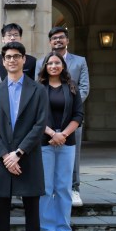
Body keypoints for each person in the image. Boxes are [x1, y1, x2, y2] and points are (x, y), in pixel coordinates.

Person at [0, 42, 49, 231]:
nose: (12, 60)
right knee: (1, 208)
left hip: (28, 157)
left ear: (24, 59)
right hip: (2, 159)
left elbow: (40, 124)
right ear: (3, 62)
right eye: (8, 57)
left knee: (32, 207)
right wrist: (6, 155)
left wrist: (19, 152)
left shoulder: (38, 90)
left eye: (16, 56)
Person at [35, 26, 90, 207]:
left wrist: (71, 103)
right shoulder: (41, 62)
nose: (58, 40)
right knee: (46, 160)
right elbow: (38, 89)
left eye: (61, 37)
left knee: (73, 156)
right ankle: (48, 190)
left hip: (71, 119)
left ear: (67, 40)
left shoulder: (80, 61)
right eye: (54, 38)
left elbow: (84, 87)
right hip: (47, 122)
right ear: (50, 42)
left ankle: (74, 188)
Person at [37, 52, 84, 231]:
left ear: (63, 65)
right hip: (44, 141)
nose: (54, 66)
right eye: (50, 63)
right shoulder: (39, 88)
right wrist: (52, 133)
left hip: (66, 142)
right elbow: (34, 116)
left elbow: (78, 115)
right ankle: (48, 229)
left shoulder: (71, 87)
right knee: (47, 187)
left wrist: (63, 135)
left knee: (64, 187)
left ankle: (64, 228)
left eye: (57, 63)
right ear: (45, 66)